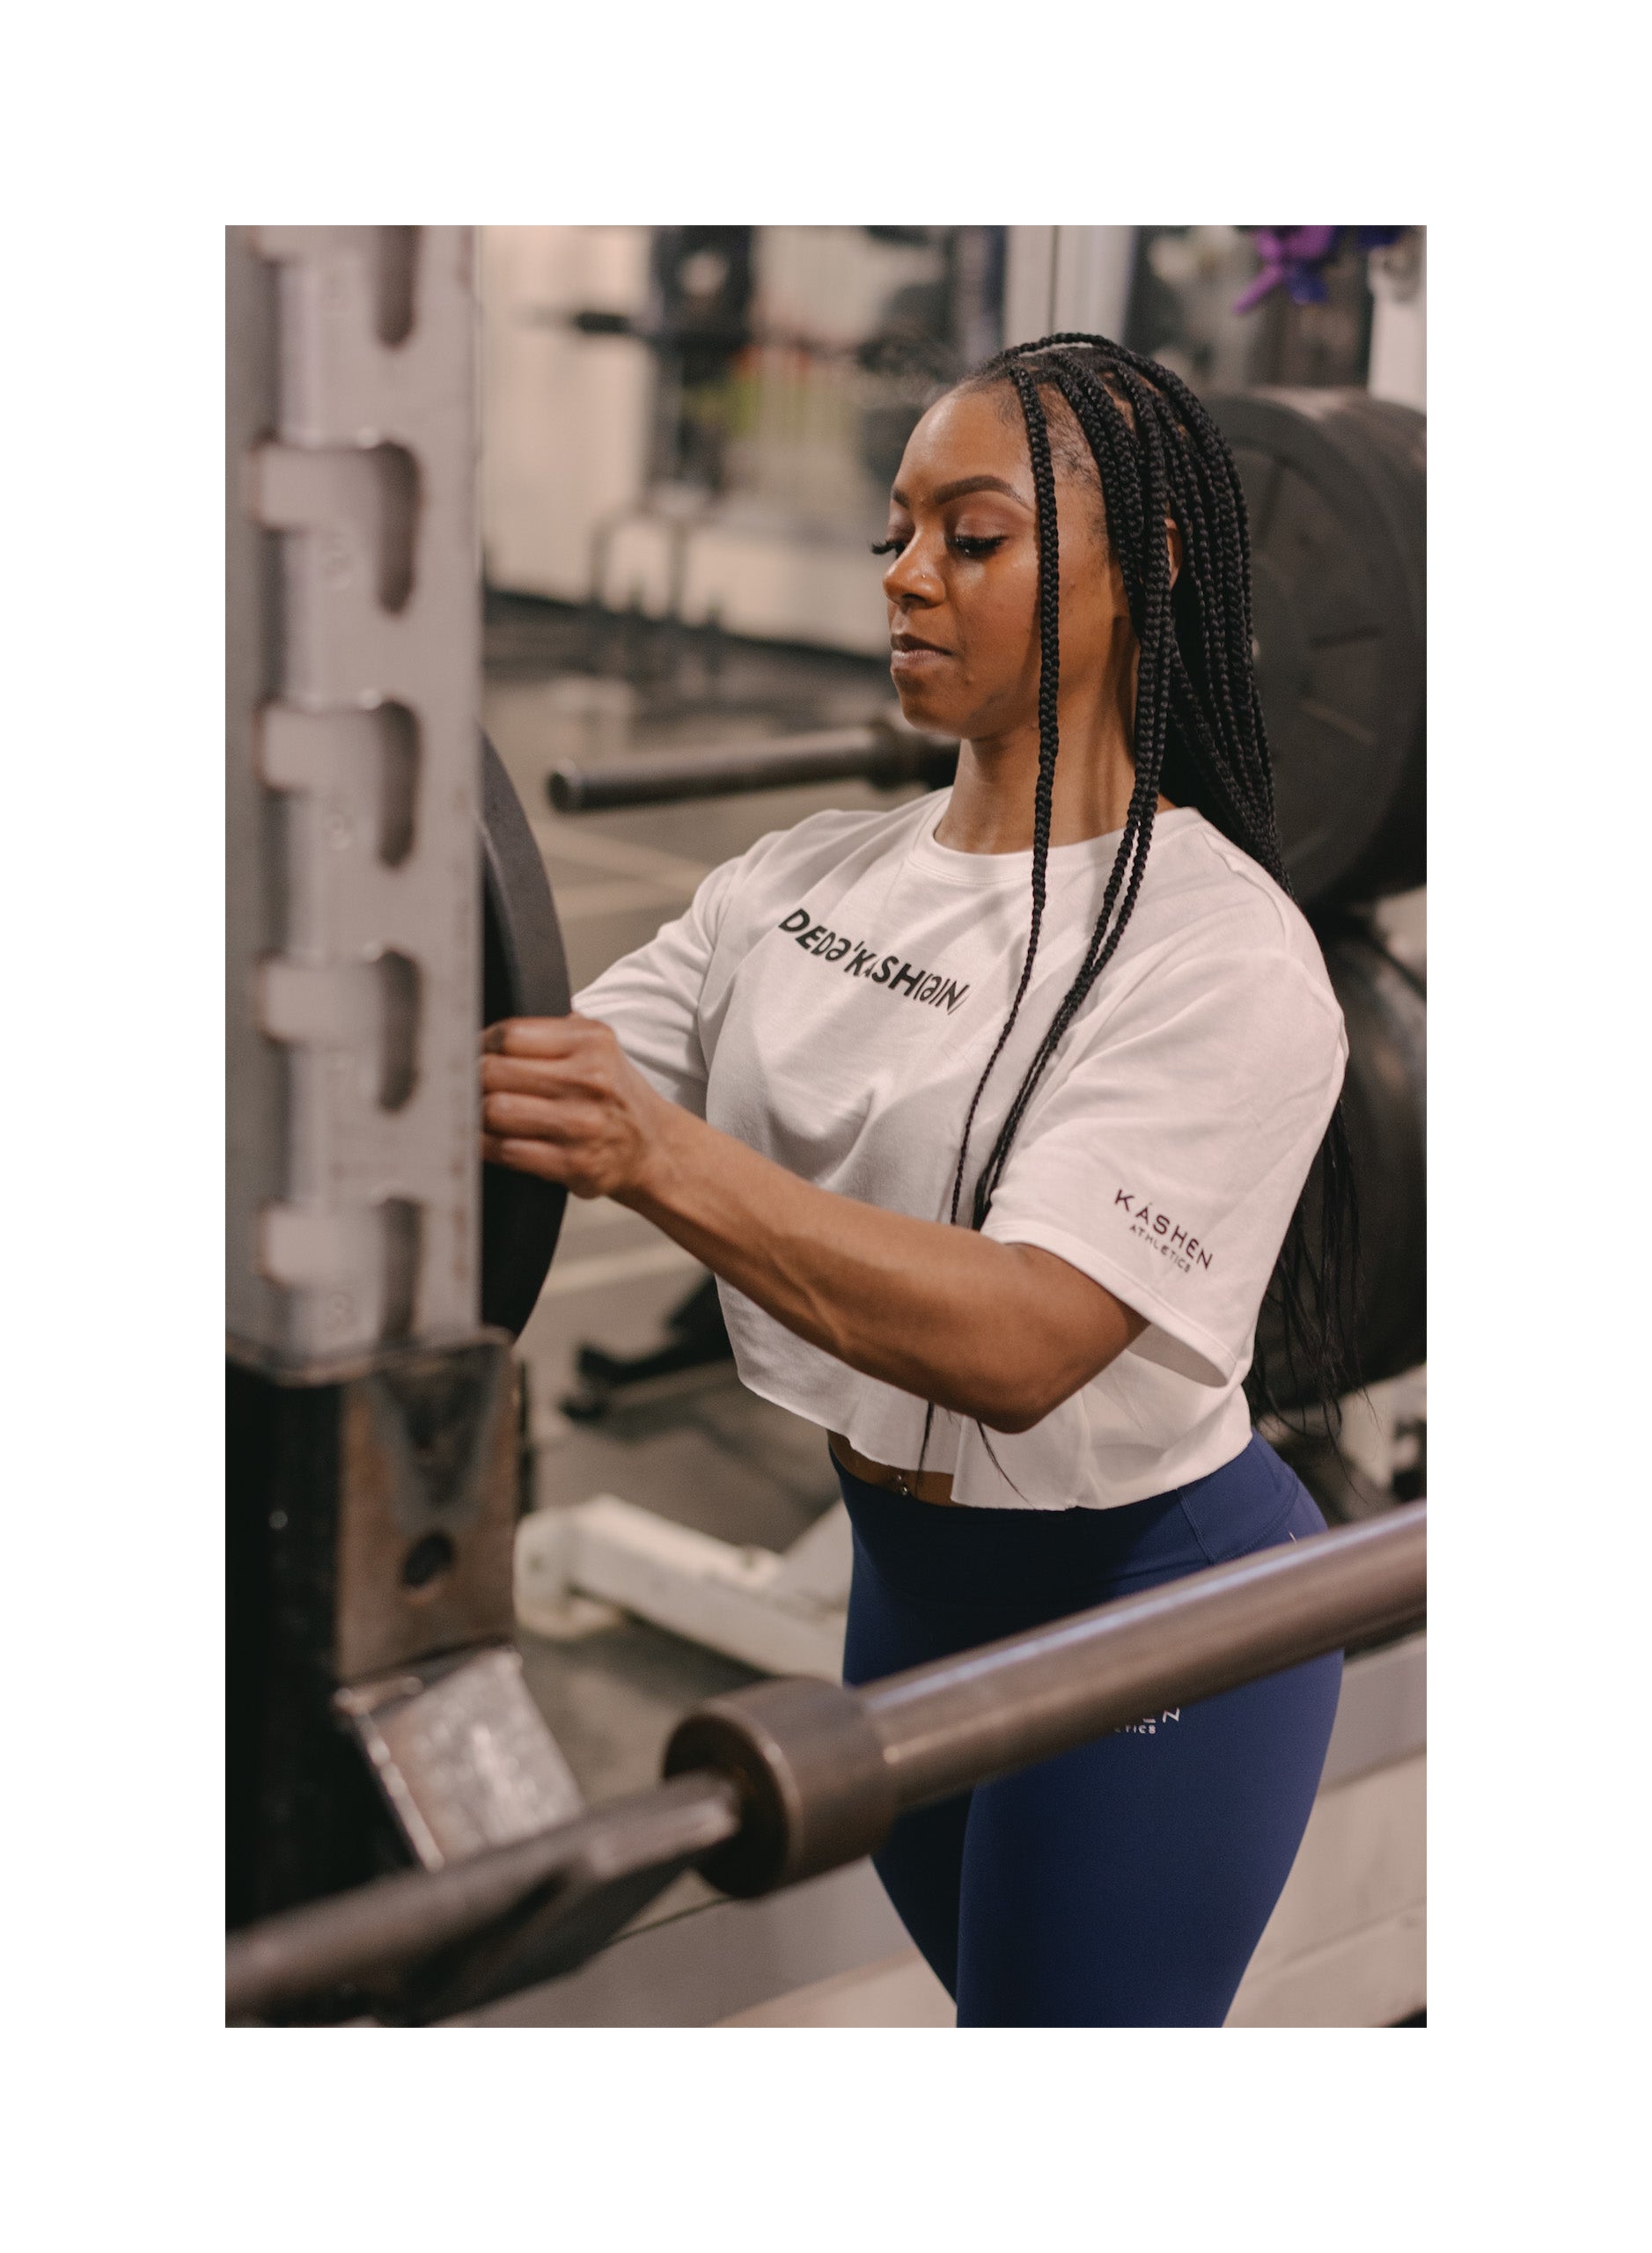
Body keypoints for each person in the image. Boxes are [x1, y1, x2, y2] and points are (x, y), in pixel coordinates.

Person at [481, 334, 1355, 2028]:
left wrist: (656, 1153)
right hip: (904, 1590)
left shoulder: (1216, 951)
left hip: (1144, 1612)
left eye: (973, 536)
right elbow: (529, 1079)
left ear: (1145, 564)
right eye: (896, 534)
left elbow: (1024, 1346)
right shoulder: (800, 881)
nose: (904, 575)